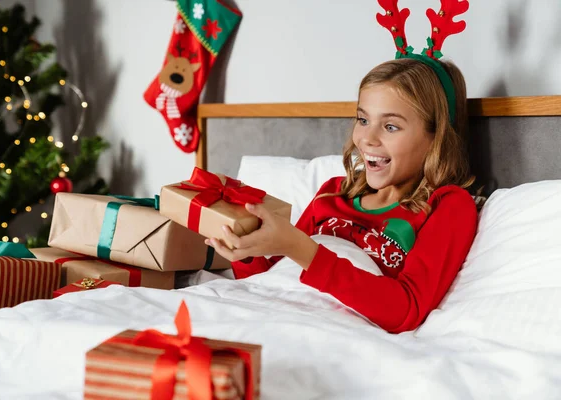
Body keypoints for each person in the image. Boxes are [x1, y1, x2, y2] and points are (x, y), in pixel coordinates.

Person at [205, 1, 478, 334]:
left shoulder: (447, 207)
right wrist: (247, 250)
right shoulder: (334, 191)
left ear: (436, 136)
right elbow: (272, 280)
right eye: (363, 119)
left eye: (390, 126)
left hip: (327, 330)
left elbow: (405, 310)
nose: (368, 139)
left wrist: (298, 245)